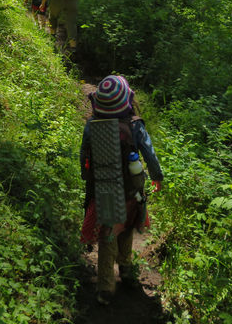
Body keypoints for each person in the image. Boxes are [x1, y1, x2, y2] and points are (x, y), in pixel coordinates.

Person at [79, 75, 164, 305]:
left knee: (108, 233)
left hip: (103, 189)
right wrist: (157, 177)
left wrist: (88, 180)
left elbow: (84, 157)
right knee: (125, 228)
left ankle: (105, 287)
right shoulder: (135, 125)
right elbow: (150, 155)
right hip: (130, 189)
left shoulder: (91, 126)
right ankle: (126, 273)